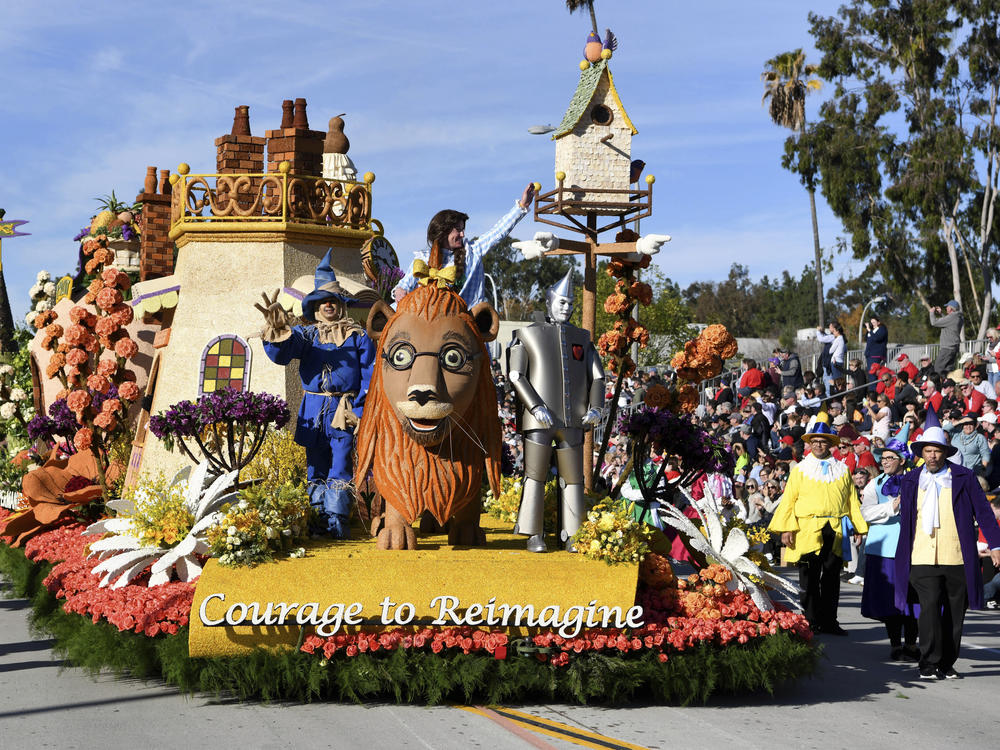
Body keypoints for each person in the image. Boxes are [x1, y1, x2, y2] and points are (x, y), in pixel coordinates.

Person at [256, 251, 375, 537]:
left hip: (343, 411)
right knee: (315, 465)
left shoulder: (358, 336)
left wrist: (359, 411)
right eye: (323, 302)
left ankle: (337, 519)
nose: (328, 306)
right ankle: (318, 517)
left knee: (341, 462)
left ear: (341, 306)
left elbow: (371, 375)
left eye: (333, 301)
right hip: (313, 411)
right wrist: (278, 330)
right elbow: (283, 354)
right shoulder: (306, 336)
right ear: (315, 308)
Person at [893, 411, 1000, 679]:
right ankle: (928, 662)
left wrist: (996, 545)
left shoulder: (963, 476)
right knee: (928, 609)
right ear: (921, 452)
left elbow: (984, 513)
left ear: (945, 452)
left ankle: (946, 662)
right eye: (927, 451)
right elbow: (907, 519)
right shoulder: (911, 479)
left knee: (955, 614)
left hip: (957, 556)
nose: (932, 456)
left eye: (937, 451)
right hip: (922, 554)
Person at [508, 271, 605, 552]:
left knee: (574, 479)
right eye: (562, 301)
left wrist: (596, 408)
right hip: (538, 419)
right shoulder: (527, 334)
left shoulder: (582, 338)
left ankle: (572, 534)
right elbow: (516, 374)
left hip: (573, 420)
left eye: (570, 303)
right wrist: (535, 406)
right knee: (535, 475)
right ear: (550, 302)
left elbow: (597, 377)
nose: (567, 307)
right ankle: (533, 533)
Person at [769, 420, 869, 634]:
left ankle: (830, 621)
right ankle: (810, 620)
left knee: (832, 576)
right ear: (809, 444)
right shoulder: (800, 469)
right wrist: (787, 528)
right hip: (807, 528)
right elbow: (789, 500)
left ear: (829, 444)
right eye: (815, 441)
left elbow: (852, 499)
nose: (818, 445)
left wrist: (859, 527)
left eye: (823, 442)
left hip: (835, 527)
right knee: (809, 576)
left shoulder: (841, 469)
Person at [394, 183, 535, 307]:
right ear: (443, 231)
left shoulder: (472, 251)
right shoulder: (422, 259)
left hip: (467, 323)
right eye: (458, 230)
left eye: (463, 230)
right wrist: (400, 291)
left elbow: (498, 232)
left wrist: (521, 206)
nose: (462, 235)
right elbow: (404, 285)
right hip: (428, 323)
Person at [859, 437, 920, 662]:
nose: (884, 462)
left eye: (890, 458)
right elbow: (864, 513)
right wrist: (891, 507)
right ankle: (896, 644)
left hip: (912, 548)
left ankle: (912, 644)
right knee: (890, 601)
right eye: (882, 458)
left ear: (902, 460)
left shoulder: (916, 481)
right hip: (883, 549)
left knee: (912, 598)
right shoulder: (874, 484)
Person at [929, 301, 963, 376]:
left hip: (947, 348)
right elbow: (948, 322)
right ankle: (948, 386)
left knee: (938, 369)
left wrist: (931, 312)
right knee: (948, 371)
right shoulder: (959, 317)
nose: (946, 308)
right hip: (954, 348)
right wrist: (941, 313)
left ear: (951, 308)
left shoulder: (952, 317)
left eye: (947, 306)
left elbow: (934, 322)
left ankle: (938, 386)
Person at [816, 322, 846, 390]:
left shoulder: (835, 338)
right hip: (835, 361)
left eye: (830, 327)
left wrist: (818, 331)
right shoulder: (840, 338)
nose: (829, 328)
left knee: (833, 381)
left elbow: (830, 349)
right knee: (835, 379)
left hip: (834, 361)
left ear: (835, 330)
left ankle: (833, 396)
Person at [864, 315, 888, 386]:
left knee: (873, 375)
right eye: (871, 322)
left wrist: (869, 330)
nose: (872, 324)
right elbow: (866, 338)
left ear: (878, 322)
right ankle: (872, 391)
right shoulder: (872, 330)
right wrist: (868, 330)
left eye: (874, 322)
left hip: (876, 355)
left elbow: (877, 338)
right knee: (870, 375)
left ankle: (874, 393)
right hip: (869, 355)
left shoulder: (882, 329)